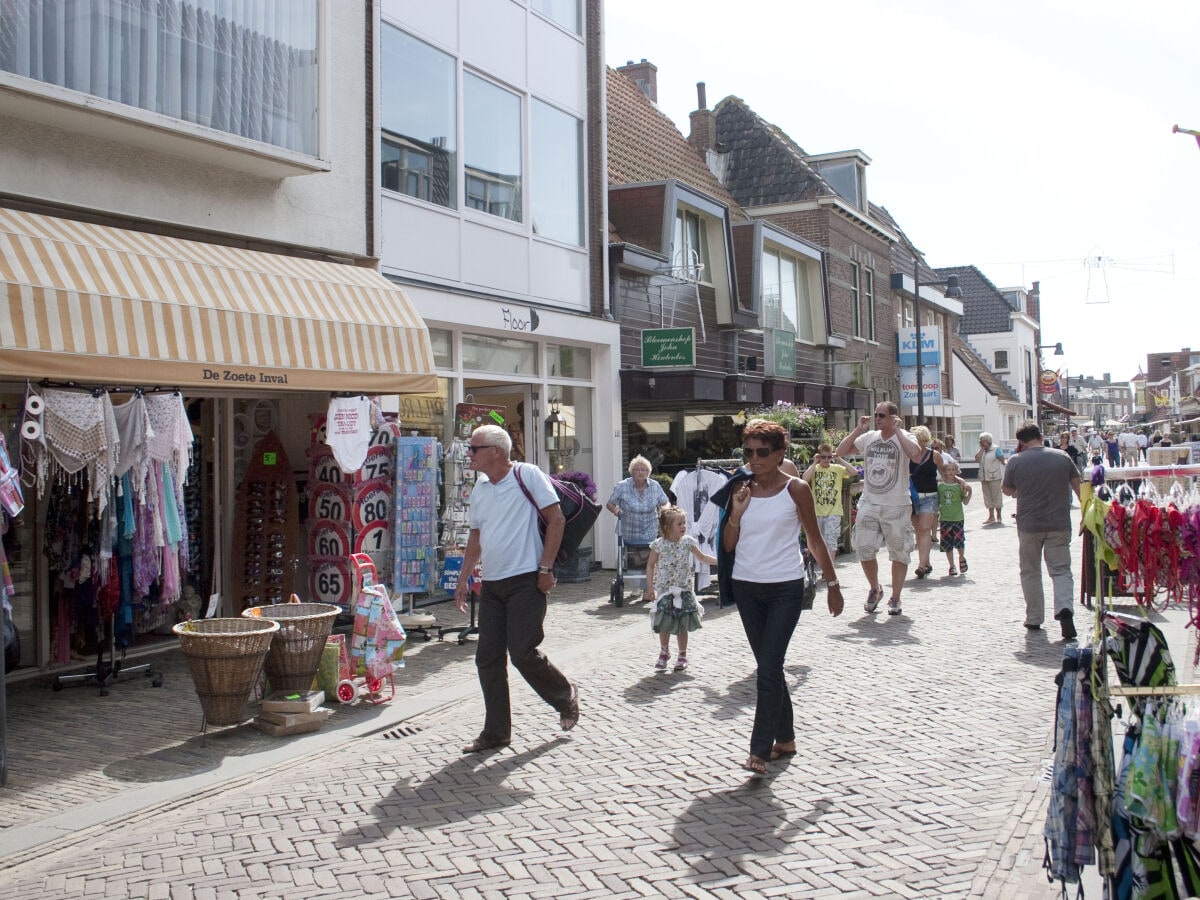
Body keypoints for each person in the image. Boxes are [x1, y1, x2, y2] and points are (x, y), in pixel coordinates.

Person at [713, 419, 843, 776]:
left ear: (780, 454)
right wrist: (736, 514)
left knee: (768, 669)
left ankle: (758, 749)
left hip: (786, 586)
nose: (754, 459)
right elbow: (727, 545)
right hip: (746, 586)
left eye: (762, 452)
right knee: (770, 668)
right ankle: (785, 739)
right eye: (748, 452)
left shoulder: (797, 489)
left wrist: (832, 585)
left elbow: (814, 541)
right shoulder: (739, 488)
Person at [454, 424, 579, 753]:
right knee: (487, 659)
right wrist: (465, 577)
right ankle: (496, 733)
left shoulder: (528, 474)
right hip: (492, 584)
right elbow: (476, 537)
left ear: (496, 451)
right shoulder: (480, 489)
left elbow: (557, 519)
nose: (470, 454)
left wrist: (546, 568)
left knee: (522, 652)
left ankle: (565, 696)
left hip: (526, 579)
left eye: (474, 448)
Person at [835, 402, 927, 615]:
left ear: (894, 417)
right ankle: (875, 588)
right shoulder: (869, 438)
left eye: (882, 415)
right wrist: (859, 428)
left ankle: (895, 597)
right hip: (870, 501)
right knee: (863, 547)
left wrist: (897, 432)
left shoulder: (906, 436)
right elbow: (840, 451)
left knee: (899, 552)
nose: (877, 418)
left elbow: (916, 455)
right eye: (876, 415)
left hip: (896, 504)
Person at [1002, 421, 1082, 641]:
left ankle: (1035, 617)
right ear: (1040, 436)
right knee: (1061, 570)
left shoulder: (1016, 461)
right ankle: (1064, 608)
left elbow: (1007, 490)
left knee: (1030, 571)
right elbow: (1079, 487)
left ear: (1020, 441)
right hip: (1059, 523)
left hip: (1029, 525)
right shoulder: (1062, 457)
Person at [643, 506, 716, 672]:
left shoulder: (688, 542)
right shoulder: (658, 545)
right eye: (679, 523)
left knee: (683, 623)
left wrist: (721, 561)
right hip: (665, 591)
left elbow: (702, 557)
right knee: (664, 622)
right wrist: (650, 587)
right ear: (667, 527)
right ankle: (664, 651)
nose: (684, 526)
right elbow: (650, 565)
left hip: (683, 590)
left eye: (684, 523)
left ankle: (682, 654)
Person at [606, 455, 669, 600]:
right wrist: (616, 510)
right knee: (633, 557)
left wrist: (664, 510)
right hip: (629, 527)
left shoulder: (655, 486)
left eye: (643, 470)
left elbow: (665, 502)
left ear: (648, 472)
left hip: (650, 526)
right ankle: (636, 587)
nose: (640, 472)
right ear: (631, 472)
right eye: (636, 469)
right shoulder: (622, 486)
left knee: (647, 557)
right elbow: (610, 503)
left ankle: (647, 588)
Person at [801, 443, 857, 564]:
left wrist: (839, 458)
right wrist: (814, 462)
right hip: (817, 511)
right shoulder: (815, 469)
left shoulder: (837, 468)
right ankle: (811, 565)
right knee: (815, 541)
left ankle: (828, 572)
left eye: (829, 457)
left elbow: (854, 472)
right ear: (819, 456)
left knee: (831, 542)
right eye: (823, 457)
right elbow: (804, 479)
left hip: (834, 511)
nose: (826, 460)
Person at [908, 426, 944, 581]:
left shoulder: (934, 456)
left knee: (924, 529)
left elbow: (945, 472)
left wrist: (959, 481)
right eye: (916, 441)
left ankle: (921, 566)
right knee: (919, 531)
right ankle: (927, 562)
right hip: (912, 498)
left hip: (930, 496)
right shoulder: (907, 455)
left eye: (922, 441)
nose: (920, 444)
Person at [937, 460, 972, 575]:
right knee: (948, 544)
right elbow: (937, 502)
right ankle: (952, 566)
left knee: (960, 542)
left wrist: (970, 492)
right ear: (945, 472)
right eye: (948, 470)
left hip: (958, 518)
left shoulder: (959, 486)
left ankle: (961, 557)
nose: (951, 472)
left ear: (957, 471)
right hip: (945, 519)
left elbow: (965, 502)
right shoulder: (940, 487)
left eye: (953, 470)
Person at [975, 433, 1007, 524]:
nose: (980, 443)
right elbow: (977, 459)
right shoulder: (982, 451)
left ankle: (999, 515)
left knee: (996, 496)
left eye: (982, 441)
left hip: (994, 477)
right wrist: (982, 449)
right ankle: (991, 516)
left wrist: (1006, 464)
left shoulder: (996, 449)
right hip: (984, 477)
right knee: (987, 497)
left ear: (987, 441)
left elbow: (1002, 460)